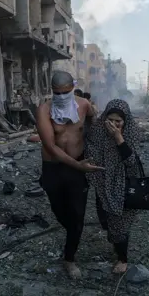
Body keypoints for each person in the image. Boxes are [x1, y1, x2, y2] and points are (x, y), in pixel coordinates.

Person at [36, 71, 102, 279]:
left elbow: (93, 120)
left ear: (73, 87)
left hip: (78, 165)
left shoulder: (83, 105)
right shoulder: (44, 110)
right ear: (52, 91)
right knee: (59, 211)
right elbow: (50, 146)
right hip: (54, 168)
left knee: (78, 215)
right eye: (58, 93)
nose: (62, 96)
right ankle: (72, 232)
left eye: (66, 92)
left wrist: (91, 146)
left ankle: (69, 258)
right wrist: (78, 165)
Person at [86, 99, 143, 274]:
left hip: (125, 183)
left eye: (118, 121)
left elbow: (131, 162)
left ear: (125, 121)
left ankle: (123, 259)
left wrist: (118, 138)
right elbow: (90, 151)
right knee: (106, 220)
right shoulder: (97, 131)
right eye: (110, 120)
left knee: (120, 223)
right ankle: (117, 246)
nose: (113, 124)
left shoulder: (131, 132)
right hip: (103, 182)